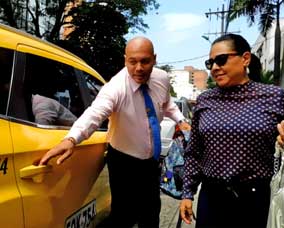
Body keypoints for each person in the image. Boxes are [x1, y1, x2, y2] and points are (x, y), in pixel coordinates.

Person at [39, 36, 191, 228]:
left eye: (145, 61)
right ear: (125, 60)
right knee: (124, 215)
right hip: (123, 160)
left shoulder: (161, 78)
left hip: (151, 161)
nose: (139, 68)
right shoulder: (115, 88)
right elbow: (95, 113)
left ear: (154, 59)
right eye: (132, 61)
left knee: (151, 212)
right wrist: (71, 139)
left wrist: (181, 120)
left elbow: (167, 103)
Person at [179, 33, 284, 228]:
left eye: (221, 60)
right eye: (210, 63)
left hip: (257, 199)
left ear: (245, 58)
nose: (215, 67)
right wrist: (188, 193)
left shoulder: (276, 97)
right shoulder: (205, 100)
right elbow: (194, 151)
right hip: (212, 197)